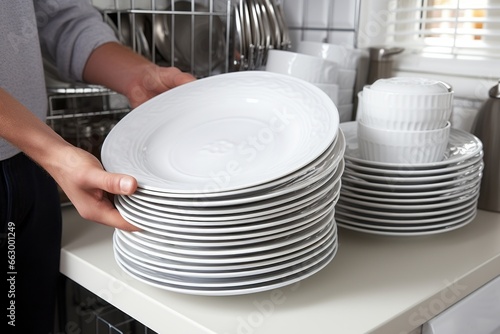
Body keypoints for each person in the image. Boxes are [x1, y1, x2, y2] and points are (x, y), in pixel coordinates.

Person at [0, 1, 195, 333]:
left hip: (33, 165)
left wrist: (138, 76)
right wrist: (55, 152)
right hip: (43, 151)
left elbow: (57, 16)